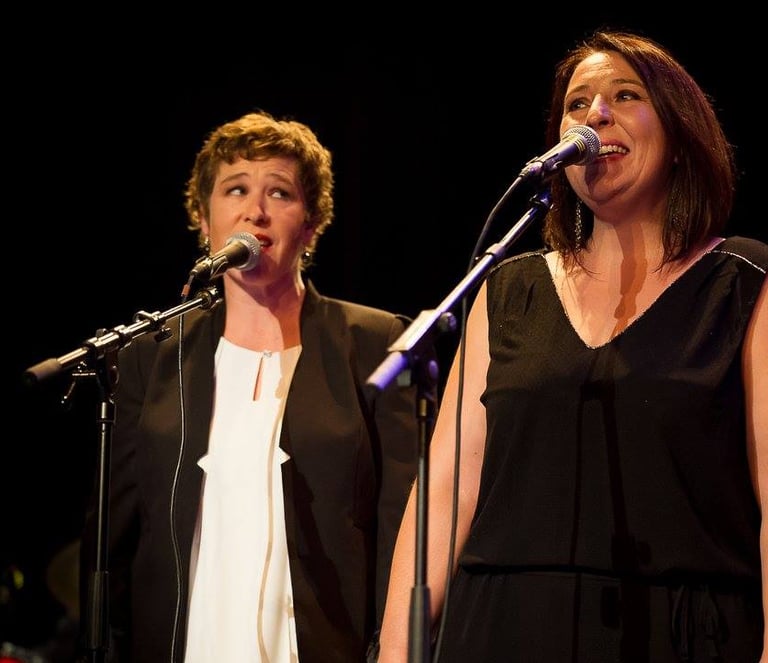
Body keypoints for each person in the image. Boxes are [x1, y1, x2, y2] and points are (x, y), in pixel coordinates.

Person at [377, 29, 767, 662]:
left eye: (625, 95)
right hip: (499, 629)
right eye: (578, 103)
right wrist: (395, 653)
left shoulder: (743, 283)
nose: (596, 114)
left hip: (680, 633)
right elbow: (447, 488)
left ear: (678, 133)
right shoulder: (508, 287)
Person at [78, 110, 432, 662]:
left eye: (280, 193)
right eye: (235, 189)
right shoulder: (153, 354)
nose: (255, 211)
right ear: (203, 218)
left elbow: (402, 526)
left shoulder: (373, 341)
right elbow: (115, 539)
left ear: (312, 223)